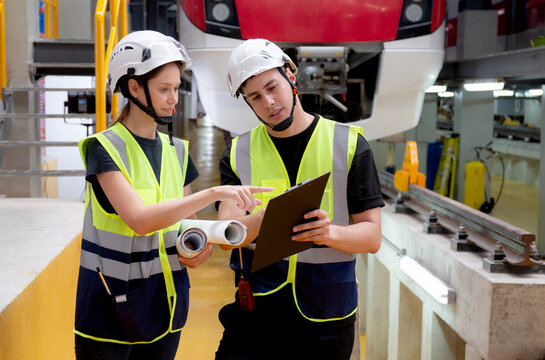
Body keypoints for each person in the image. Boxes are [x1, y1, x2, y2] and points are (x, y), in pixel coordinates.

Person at [73, 30, 270, 360]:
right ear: (134, 87)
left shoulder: (177, 151)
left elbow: (186, 227)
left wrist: (198, 246)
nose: (173, 98)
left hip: (165, 306)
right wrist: (215, 193)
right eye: (164, 89)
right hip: (110, 313)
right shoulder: (104, 148)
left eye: (176, 88)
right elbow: (139, 221)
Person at [214, 39, 385, 360]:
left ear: (291, 75)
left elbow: (372, 236)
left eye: (272, 87)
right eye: (255, 96)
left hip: (326, 314)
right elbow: (226, 234)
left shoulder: (349, 146)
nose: (268, 102)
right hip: (258, 313)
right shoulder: (239, 153)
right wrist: (262, 220)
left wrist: (328, 233)